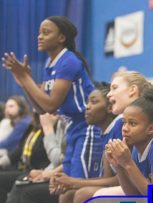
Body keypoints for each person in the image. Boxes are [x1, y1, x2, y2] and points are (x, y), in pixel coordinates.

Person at [2, 16, 103, 179]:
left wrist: (26, 79)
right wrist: (23, 82)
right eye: (39, 33)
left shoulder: (69, 61)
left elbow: (51, 105)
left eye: (46, 33)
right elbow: (42, 109)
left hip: (88, 127)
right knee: (64, 192)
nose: (39, 37)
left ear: (61, 37)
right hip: (72, 128)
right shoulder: (50, 63)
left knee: (76, 189)